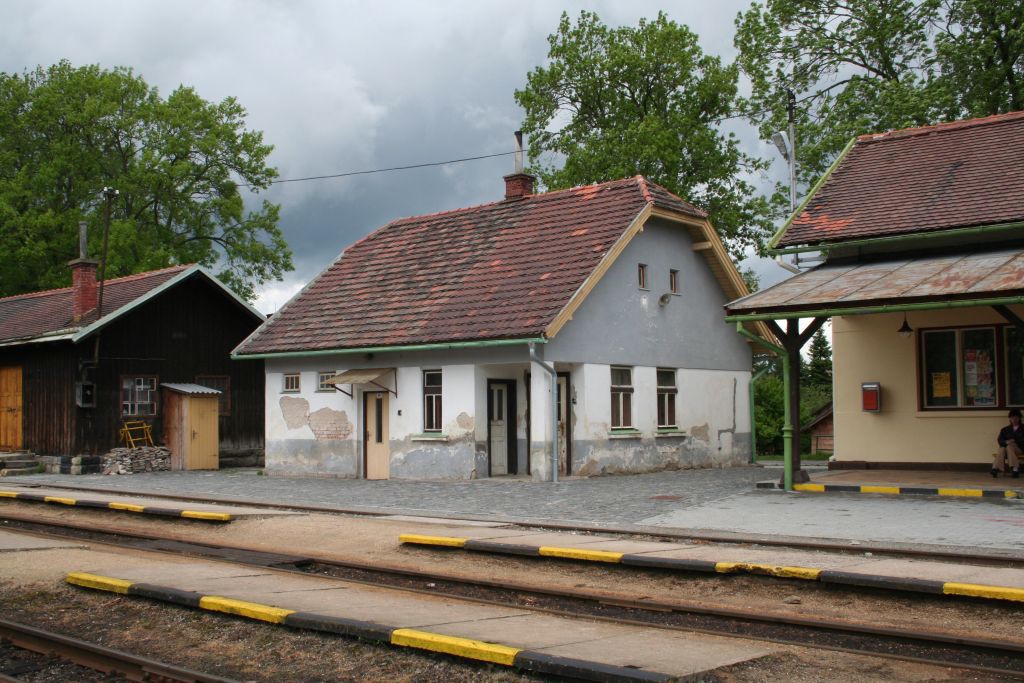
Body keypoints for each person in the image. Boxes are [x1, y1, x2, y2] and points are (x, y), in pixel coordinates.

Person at [993, 408, 1023, 478]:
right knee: (1003, 448)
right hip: (1007, 450)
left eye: (1016, 418)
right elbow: (1000, 440)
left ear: (1019, 418)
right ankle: (1015, 469)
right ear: (1009, 419)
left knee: (1009, 446)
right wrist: (1006, 441)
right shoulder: (1005, 429)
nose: (1014, 420)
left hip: (1019, 449)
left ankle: (995, 467)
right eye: (1012, 418)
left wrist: (1014, 441)